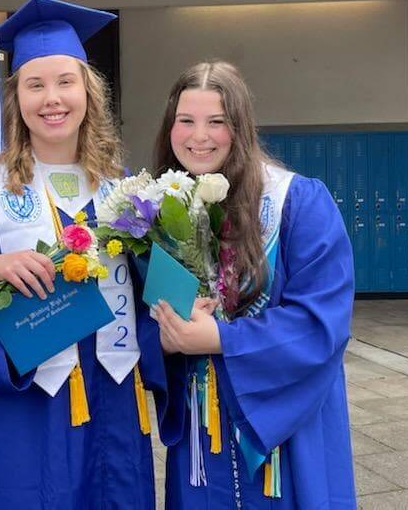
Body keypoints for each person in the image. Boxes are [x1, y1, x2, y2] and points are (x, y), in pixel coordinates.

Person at [0, 0, 166, 509]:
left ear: (88, 92)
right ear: (16, 99)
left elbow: (154, 290)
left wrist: (186, 297)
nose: (52, 99)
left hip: (112, 395)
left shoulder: (124, 190)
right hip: (26, 398)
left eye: (65, 82)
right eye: (35, 85)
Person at [151, 61, 356, 509]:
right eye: (185, 121)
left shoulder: (297, 202)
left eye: (216, 122)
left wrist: (220, 337)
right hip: (200, 433)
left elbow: (321, 323)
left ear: (240, 127)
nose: (198, 136)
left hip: (284, 427)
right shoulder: (167, 213)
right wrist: (167, 339)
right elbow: (152, 314)